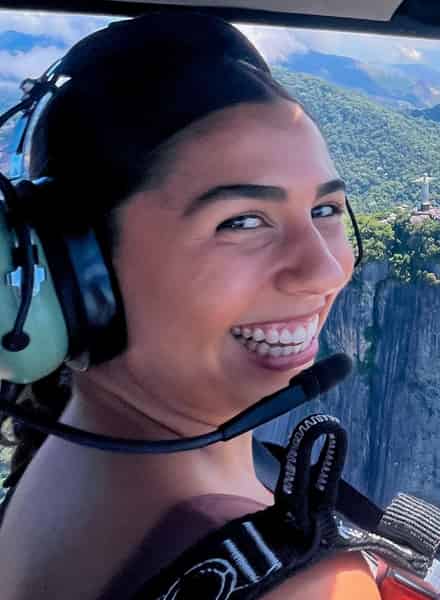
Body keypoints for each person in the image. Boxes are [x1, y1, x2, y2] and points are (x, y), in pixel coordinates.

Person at [0, 12, 380, 600]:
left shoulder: (54, 461)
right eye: (242, 221)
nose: (325, 271)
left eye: (325, 211)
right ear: (77, 270)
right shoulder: (302, 587)